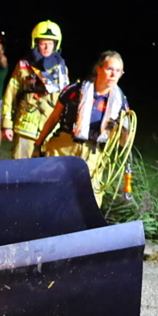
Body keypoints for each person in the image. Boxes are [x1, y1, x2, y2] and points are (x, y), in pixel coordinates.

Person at [37, 51, 132, 205]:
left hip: (93, 154)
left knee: (90, 202)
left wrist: (125, 129)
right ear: (99, 69)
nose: (113, 74)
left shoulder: (120, 102)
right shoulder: (75, 90)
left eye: (118, 71)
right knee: (52, 194)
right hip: (64, 148)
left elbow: (122, 143)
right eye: (110, 69)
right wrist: (38, 143)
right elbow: (54, 117)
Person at [1, 21, 69, 159]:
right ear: (36, 42)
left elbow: (65, 100)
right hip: (26, 128)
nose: (46, 47)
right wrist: (6, 124)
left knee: (45, 175)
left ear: (56, 44)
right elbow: (10, 94)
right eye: (43, 42)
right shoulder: (23, 65)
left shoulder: (62, 69)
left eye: (50, 43)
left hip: (50, 132)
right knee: (20, 172)